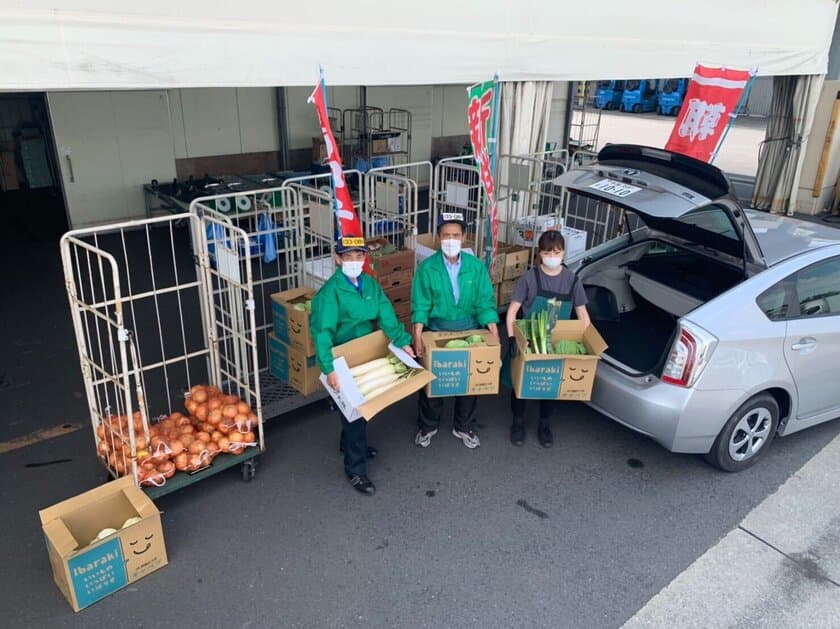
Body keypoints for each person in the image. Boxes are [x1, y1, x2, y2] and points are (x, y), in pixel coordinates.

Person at [310, 234, 415, 496]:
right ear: (337, 259)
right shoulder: (330, 293)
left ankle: (348, 444)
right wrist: (329, 368)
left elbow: (386, 314)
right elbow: (322, 332)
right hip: (342, 358)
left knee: (363, 405)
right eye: (348, 257)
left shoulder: (369, 285)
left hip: (366, 353)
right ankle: (356, 471)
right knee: (355, 413)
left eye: (359, 256)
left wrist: (402, 340)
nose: (354, 261)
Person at [411, 212, 499, 449]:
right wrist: (417, 334)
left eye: (456, 235)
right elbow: (420, 305)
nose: (451, 239)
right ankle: (428, 425)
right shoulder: (427, 268)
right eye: (446, 235)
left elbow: (485, 302)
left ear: (464, 237)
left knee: (468, 382)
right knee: (434, 382)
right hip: (437, 331)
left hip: (469, 330)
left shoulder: (475, 267)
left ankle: (464, 426)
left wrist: (493, 331)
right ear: (439, 237)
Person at [506, 229, 590, 447]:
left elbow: (582, 314)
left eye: (557, 252)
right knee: (522, 384)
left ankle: (544, 425)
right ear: (540, 253)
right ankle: (517, 422)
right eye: (547, 252)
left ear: (563, 253)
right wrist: (512, 337)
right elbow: (512, 311)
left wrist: (587, 341)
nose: (552, 256)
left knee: (551, 384)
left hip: (556, 343)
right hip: (531, 340)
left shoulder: (572, 281)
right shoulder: (529, 278)